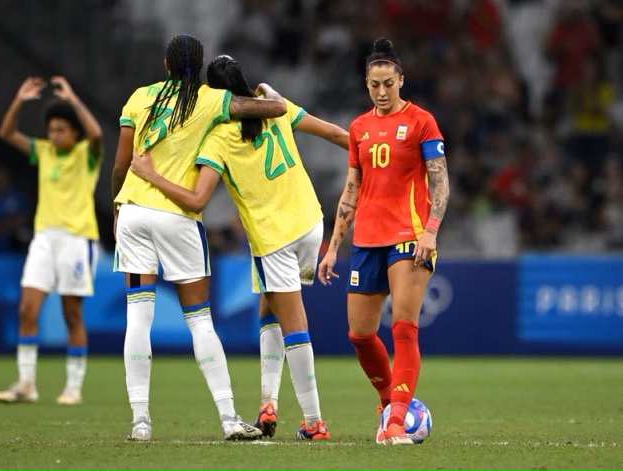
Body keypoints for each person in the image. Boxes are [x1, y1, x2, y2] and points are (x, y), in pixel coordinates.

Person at [130, 54, 349, 440]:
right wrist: (376, 156)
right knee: (271, 308)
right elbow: (333, 133)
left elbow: (198, 198)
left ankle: (314, 422)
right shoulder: (276, 105)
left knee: (294, 325)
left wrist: (149, 174)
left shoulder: (218, 137)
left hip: (274, 237)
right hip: (311, 224)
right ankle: (268, 401)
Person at [111, 34, 288, 442]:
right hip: (178, 217)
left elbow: (121, 165)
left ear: (167, 65)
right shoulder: (210, 99)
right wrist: (260, 91)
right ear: (200, 64)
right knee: (201, 321)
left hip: (134, 212)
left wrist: (117, 208)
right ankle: (228, 418)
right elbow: (274, 109)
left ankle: (140, 422)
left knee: (138, 316)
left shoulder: (140, 97)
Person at [316, 38, 450, 446]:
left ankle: (396, 423)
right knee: (359, 334)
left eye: (388, 83)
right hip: (367, 239)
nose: (381, 91)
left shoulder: (423, 121)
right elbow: (351, 190)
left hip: (409, 237)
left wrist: (430, 229)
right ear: (366, 84)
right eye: (374, 84)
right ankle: (388, 402)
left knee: (404, 329)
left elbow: (440, 180)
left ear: (401, 80)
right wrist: (333, 245)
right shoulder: (359, 127)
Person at [0, 75, 103, 406]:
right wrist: (19, 100)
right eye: (51, 129)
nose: (54, 135)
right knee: (27, 308)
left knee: (72, 314)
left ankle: (73, 386)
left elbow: (97, 133)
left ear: (73, 132)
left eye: (61, 129)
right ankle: (26, 383)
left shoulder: (87, 154)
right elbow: (6, 133)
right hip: (44, 238)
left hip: (76, 238)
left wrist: (71, 99)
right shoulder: (42, 151)